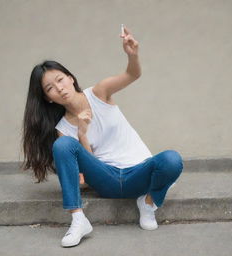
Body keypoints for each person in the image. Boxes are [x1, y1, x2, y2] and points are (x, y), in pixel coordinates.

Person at [21, 26, 183, 248]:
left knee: (172, 159)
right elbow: (85, 179)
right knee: (63, 144)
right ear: (47, 98)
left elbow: (132, 74)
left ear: (70, 78)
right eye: (50, 88)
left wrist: (132, 55)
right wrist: (82, 133)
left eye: (60, 80)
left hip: (139, 171)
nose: (59, 88)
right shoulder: (63, 129)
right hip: (106, 179)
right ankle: (78, 220)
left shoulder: (99, 92)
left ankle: (148, 203)